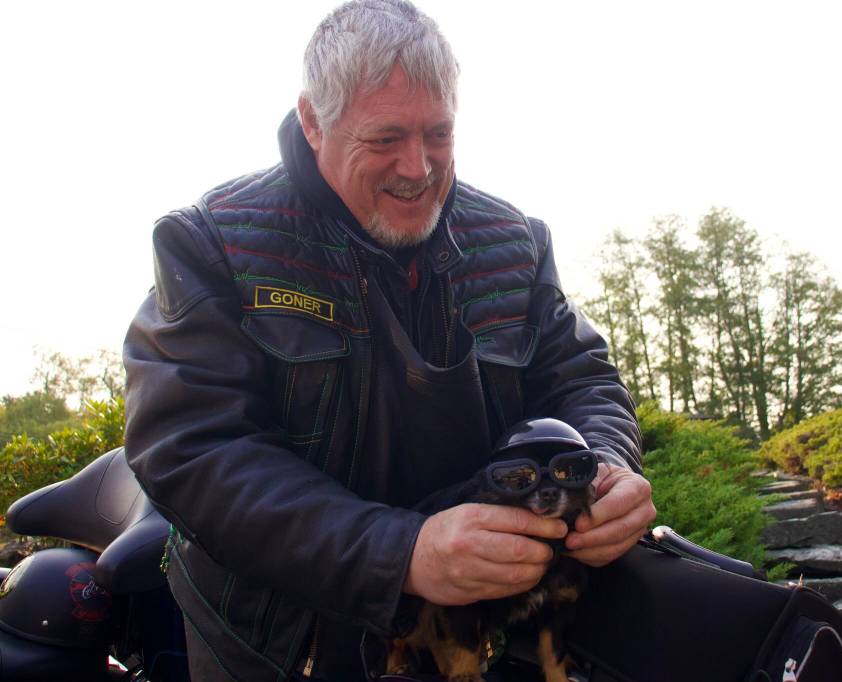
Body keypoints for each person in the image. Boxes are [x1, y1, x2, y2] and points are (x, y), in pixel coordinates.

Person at [123, 1, 654, 680]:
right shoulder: (211, 245)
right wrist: (401, 554)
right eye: (385, 139)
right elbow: (192, 449)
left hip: (479, 624)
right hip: (281, 640)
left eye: (439, 133)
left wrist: (608, 466)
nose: (419, 167)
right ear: (314, 121)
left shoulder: (516, 243)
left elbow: (582, 379)